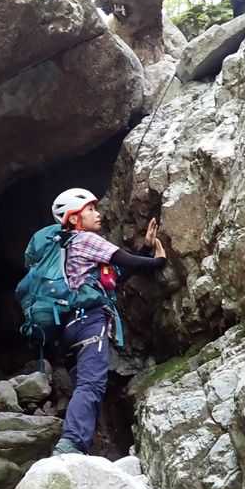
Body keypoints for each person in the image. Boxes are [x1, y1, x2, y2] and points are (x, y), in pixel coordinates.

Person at [48, 187, 167, 456]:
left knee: (84, 386)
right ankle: (70, 444)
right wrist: (158, 261)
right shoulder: (86, 240)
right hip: (90, 322)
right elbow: (126, 260)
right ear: (74, 218)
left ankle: (80, 447)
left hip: (69, 328)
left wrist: (145, 249)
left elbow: (115, 277)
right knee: (91, 384)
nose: (97, 213)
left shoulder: (67, 248)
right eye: (90, 209)